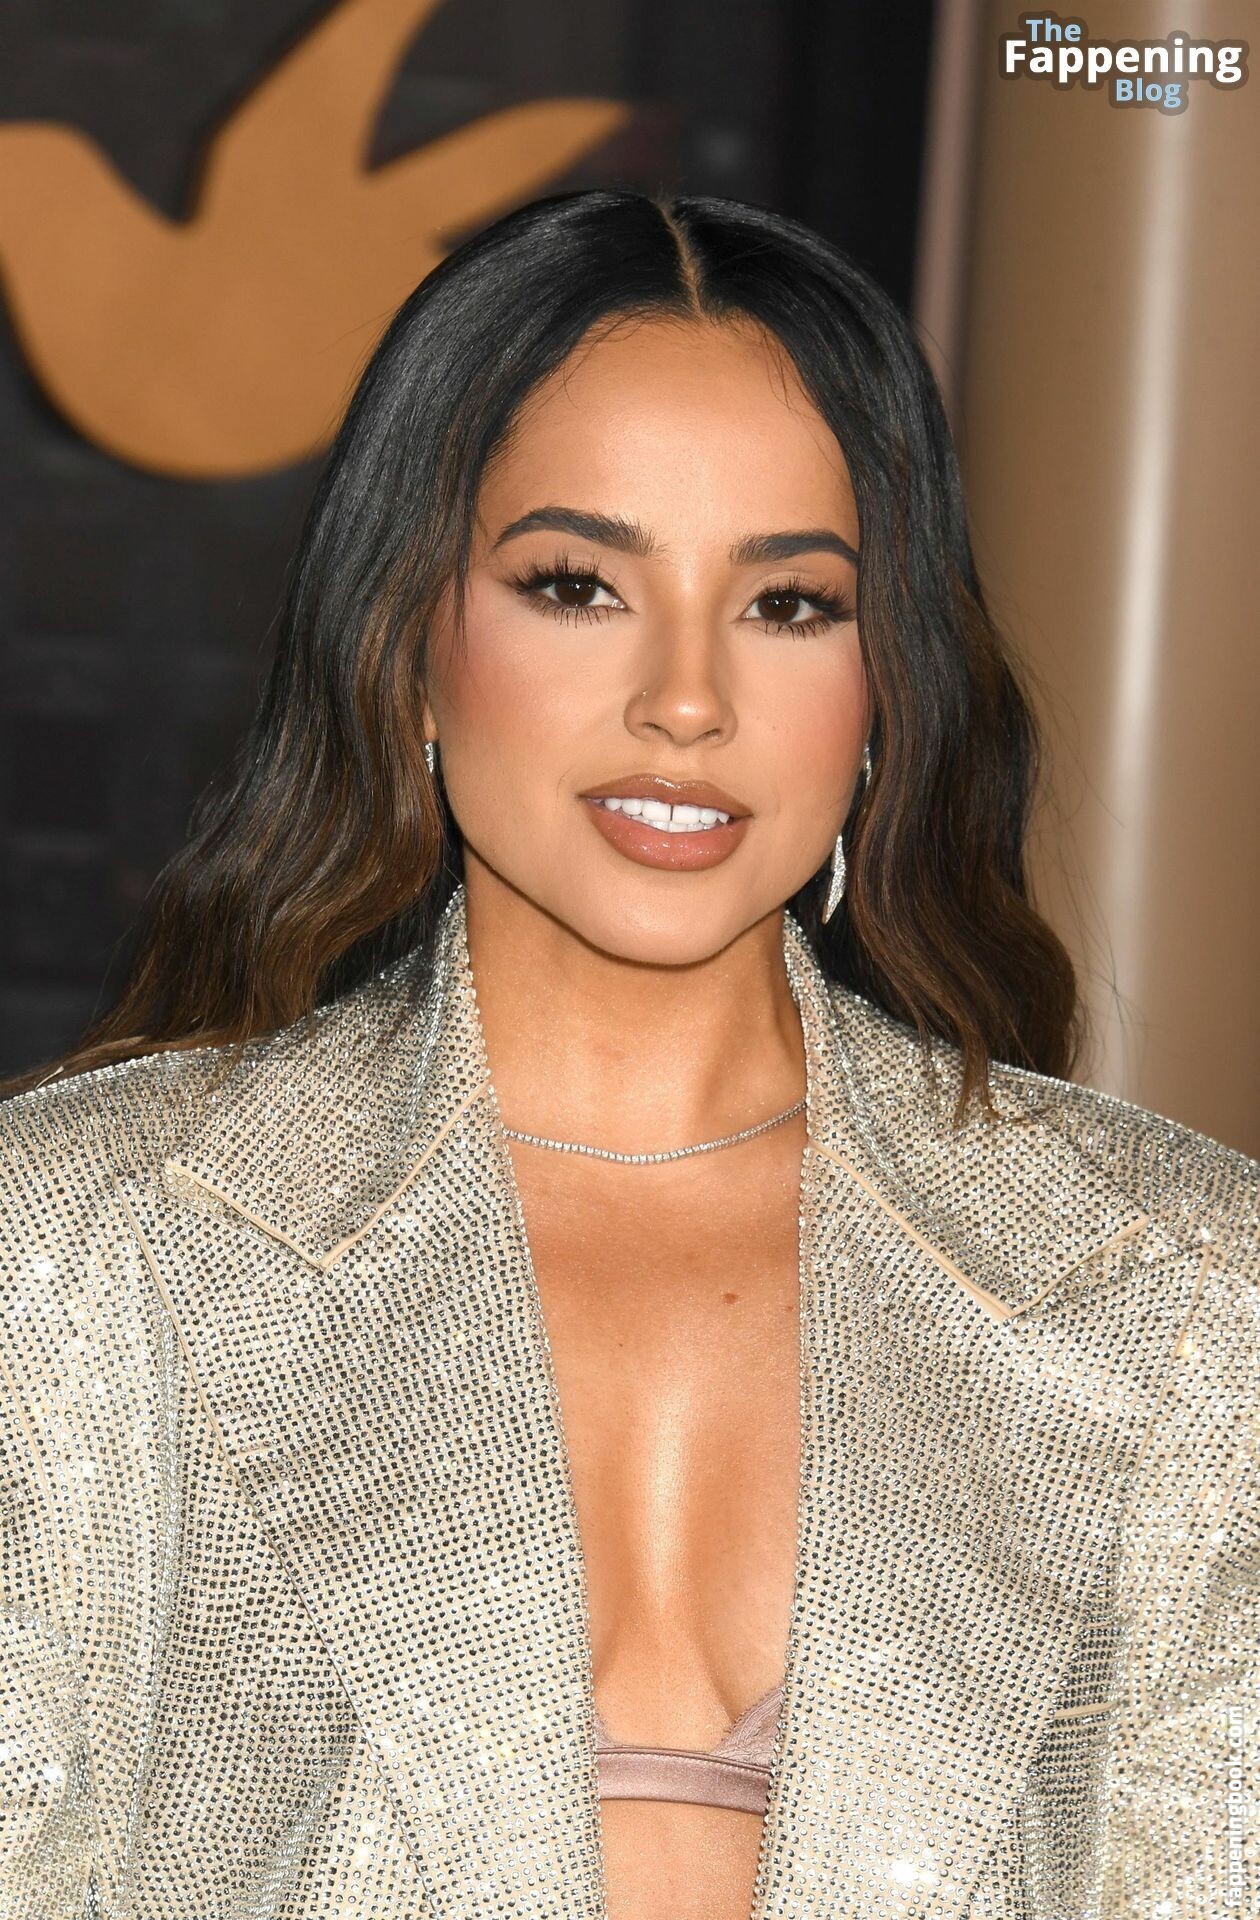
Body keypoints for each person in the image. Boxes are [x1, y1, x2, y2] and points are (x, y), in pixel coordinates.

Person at [0, 188, 1255, 1920]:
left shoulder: (1187, 1296)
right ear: (407, 647)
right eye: (576, 584)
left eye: (790, 604)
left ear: (887, 688)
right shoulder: (83, 1256)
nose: (686, 699)